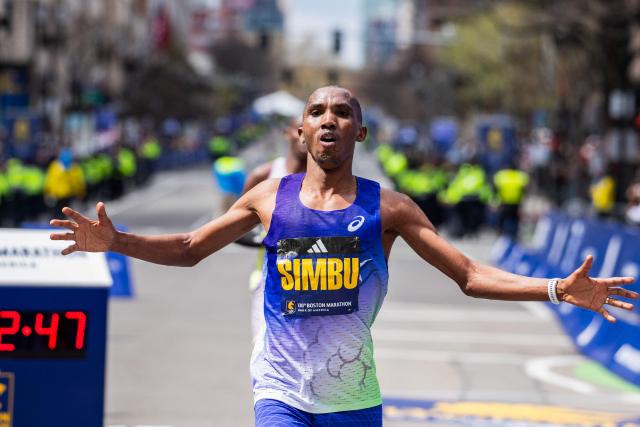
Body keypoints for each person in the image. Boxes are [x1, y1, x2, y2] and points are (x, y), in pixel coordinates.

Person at [50, 86, 637, 427]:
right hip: (279, 391)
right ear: (301, 133)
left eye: (342, 113)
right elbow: (187, 248)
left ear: (359, 133)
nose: (328, 118)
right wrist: (117, 240)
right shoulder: (266, 197)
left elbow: (470, 274)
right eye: (316, 112)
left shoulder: (390, 209)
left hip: (352, 398)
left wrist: (559, 288)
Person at [239, 117, 307, 343]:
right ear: (287, 133)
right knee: (265, 349)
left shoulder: (327, 182)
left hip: (314, 282)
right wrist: (265, 239)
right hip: (269, 280)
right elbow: (234, 226)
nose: (303, 136)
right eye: (299, 130)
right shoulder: (263, 175)